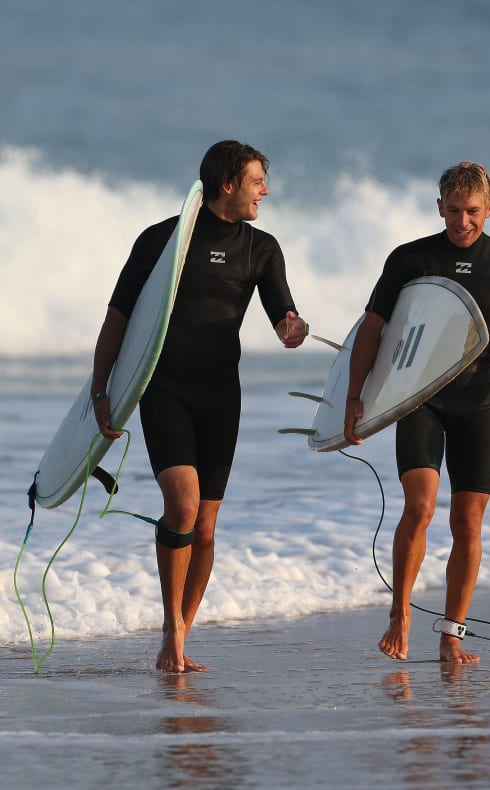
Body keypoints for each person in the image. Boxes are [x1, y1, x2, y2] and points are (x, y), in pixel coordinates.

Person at [91, 140, 308, 673]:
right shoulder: (165, 239)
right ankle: (170, 626)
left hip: (220, 396)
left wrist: (292, 328)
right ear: (228, 184)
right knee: (183, 506)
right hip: (163, 387)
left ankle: (182, 636)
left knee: (206, 527)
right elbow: (119, 316)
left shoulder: (262, 248)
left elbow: (283, 309)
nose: (267, 191)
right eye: (258, 181)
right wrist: (101, 391)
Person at [344, 162, 490, 664]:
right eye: (452, 211)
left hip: (478, 403)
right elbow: (373, 327)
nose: (462, 222)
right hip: (421, 399)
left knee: (468, 523)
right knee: (420, 507)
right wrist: (356, 396)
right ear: (438, 206)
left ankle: (452, 634)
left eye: (472, 212)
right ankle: (400, 611)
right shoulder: (410, 259)